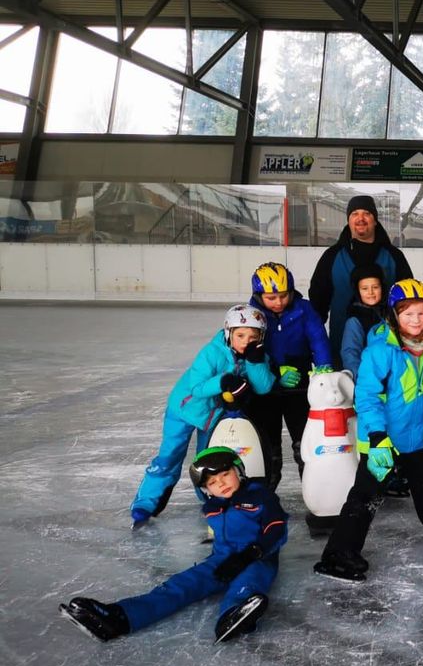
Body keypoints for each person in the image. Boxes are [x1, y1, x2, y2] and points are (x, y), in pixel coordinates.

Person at [64, 447, 287, 643]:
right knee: (181, 585)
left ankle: (235, 613)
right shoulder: (212, 506)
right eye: (212, 482)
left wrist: (251, 554)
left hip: (258, 557)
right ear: (207, 490)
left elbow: (276, 528)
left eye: (225, 474)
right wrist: (227, 560)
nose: (221, 483)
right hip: (221, 559)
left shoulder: (260, 496)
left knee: (249, 581)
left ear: (238, 471)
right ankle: (120, 617)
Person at [313, 280, 423, 582]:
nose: (415, 320)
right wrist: (377, 436)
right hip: (381, 441)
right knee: (367, 496)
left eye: (421, 313)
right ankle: (339, 552)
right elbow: (366, 398)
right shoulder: (379, 352)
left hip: (414, 436)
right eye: (407, 314)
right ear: (394, 316)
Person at [129, 304, 275, 527]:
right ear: (228, 333)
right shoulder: (212, 352)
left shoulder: (256, 355)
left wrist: (255, 362)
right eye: (240, 335)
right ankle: (146, 502)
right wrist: (223, 380)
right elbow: (196, 388)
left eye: (253, 336)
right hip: (185, 410)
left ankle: (210, 497)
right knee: (169, 457)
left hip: (215, 417)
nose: (246, 341)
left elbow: (263, 387)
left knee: (210, 460)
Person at [248, 262, 333, 492]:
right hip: (267, 386)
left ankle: (312, 485)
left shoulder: (304, 309)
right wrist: (274, 373)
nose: (278, 302)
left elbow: (318, 339)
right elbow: (249, 350)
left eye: (283, 296)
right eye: (271, 298)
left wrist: (324, 367)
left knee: (304, 438)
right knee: (268, 441)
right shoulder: (252, 315)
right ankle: (266, 489)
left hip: (300, 382)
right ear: (259, 296)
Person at [309, 194, 413, 368]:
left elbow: (409, 301)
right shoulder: (332, 256)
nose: (360, 218)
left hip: (389, 349)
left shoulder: (394, 256)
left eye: (366, 213)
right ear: (348, 220)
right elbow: (317, 303)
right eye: (355, 214)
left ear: (375, 220)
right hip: (342, 346)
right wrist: (316, 345)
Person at [340, 263, 387, 379]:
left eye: (375, 287)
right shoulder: (355, 321)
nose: (370, 292)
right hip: (369, 381)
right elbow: (350, 353)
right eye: (365, 288)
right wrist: (363, 380)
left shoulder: (391, 313)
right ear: (357, 291)